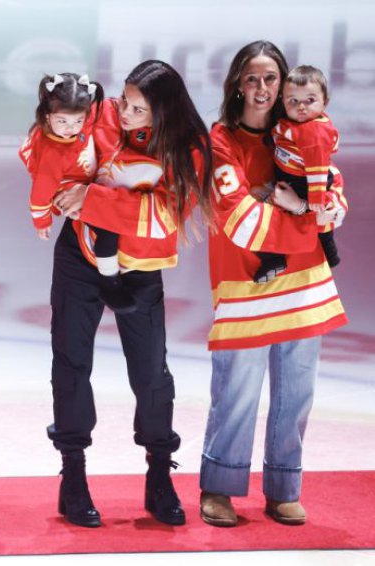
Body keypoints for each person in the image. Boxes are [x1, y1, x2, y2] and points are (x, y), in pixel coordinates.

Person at [50, 60, 213, 527]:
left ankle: (159, 476)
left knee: (151, 375)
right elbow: (55, 151)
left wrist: (94, 200)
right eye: (124, 101)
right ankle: (73, 476)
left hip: (141, 267)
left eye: (139, 109)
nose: (124, 113)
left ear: (163, 112)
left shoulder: (188, 150)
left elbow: (165, 217)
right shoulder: (103, 112)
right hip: (79, 256)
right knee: (71, 363)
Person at [200, 41, 348, 528]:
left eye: (271, 79)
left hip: (306, 286)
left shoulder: (307, 130)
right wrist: (312, 221)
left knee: (296, 395)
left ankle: (284, 485)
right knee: (236, 394)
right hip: (244, 287)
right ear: (236, 84)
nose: (262, 89)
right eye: (251, 78)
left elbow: (335, 196)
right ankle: (220, 486)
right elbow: (240, 221)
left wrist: (317, 209)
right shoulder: (220, 140)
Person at [18, 73, 135, 314]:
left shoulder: (78, 122)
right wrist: (42, 220)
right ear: (47, 116)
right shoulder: (53, 153)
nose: (70, 128)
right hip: (67, 189)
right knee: (108, 226)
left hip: (88, 183)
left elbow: (89, 116)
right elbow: (41, 191)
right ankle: (109, 281)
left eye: (77, 121)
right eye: (62, 122)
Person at [253, 64, 341, 282]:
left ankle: (275, 259)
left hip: (306, 183)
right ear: (283, 101)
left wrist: (315, 199)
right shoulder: (293, 124)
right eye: (293, 101)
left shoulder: (315, 132)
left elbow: (318, 168)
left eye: (310, 100)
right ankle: (329, 255)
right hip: (290, 176)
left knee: (270, 220)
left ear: (325, 102)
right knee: (317, 227)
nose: (301, 107)